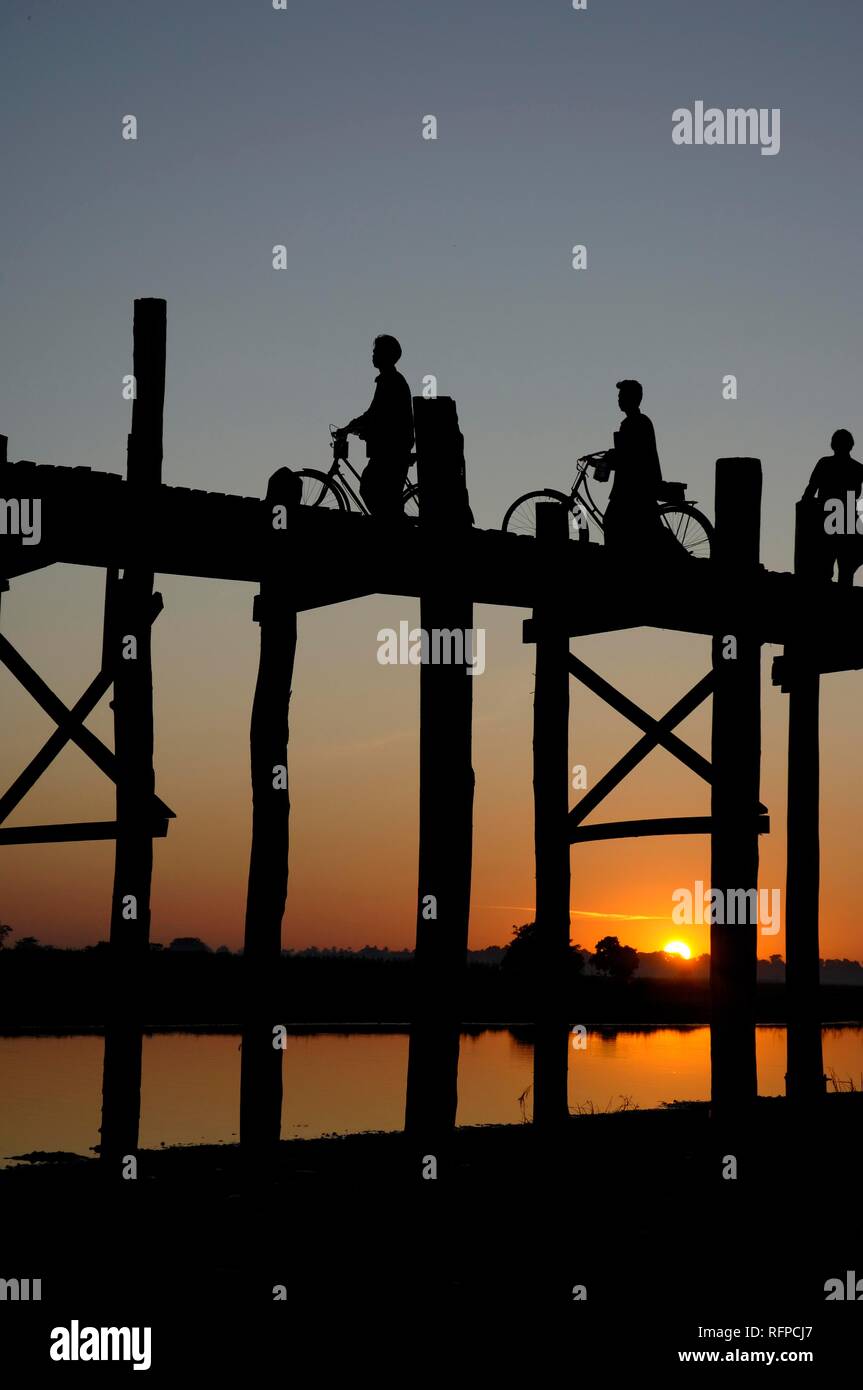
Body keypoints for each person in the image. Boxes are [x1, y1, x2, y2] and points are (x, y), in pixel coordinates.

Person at [335, 335, 414, 520]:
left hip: (391, 449)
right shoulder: (391, 380)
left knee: (371, 488)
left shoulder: (390, 381)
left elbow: (376, 414)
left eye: (376, 351)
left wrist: (350, 427)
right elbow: (376, 415)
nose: (373, 355)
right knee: (384, 495)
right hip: (393, 448)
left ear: (386, 355)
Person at [601, 379, 666, 556]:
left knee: (611, 521)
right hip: (642, 485)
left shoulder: (632, 424)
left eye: (622, 396)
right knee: (651, 529)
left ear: (631, 398)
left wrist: (607, 459)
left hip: (632, 487)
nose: (619, 400)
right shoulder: (640, 421)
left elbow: (629, 456)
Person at [802, 429, 863, 585]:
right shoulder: (857, 468)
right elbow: (810, 490)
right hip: (844, 520)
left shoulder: (826, 463)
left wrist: (805, 507)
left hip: (829, 519)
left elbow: (811, 490)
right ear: (851, 445)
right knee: (844, 570)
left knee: (827, 569)